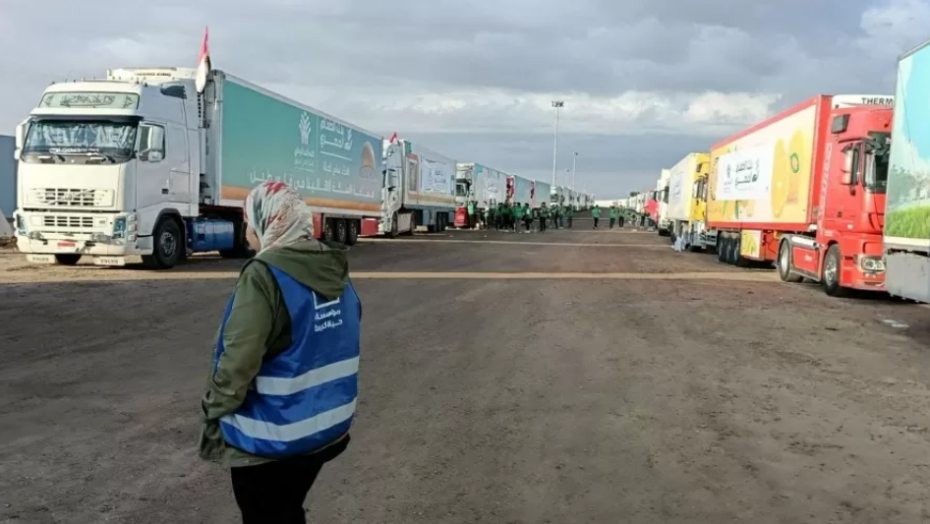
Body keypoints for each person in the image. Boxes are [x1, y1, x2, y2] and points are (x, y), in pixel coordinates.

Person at [199, 181, 361, 524]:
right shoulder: (334, 268)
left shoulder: (264, 275)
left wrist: (214, 408)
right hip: (324, 429)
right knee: (286, 510)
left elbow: (239, 360)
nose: (247, 233)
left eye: (249, 222)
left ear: (268, 222)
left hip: (272, 438)